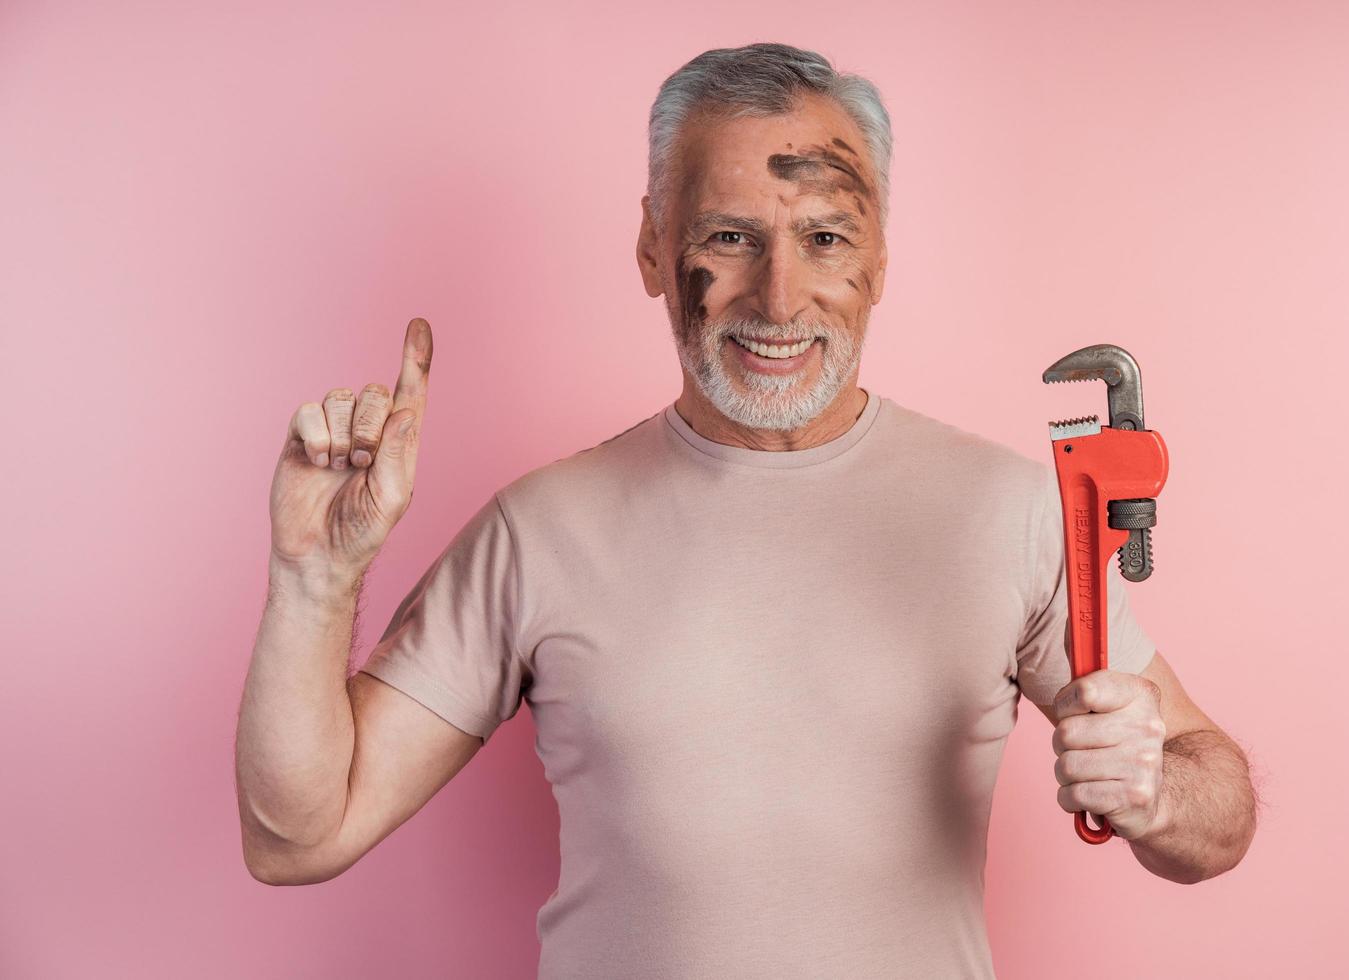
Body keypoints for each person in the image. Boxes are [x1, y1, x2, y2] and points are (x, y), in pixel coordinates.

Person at [235, 42, 1257, 979]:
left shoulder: (1010, 510)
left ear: (880, 258)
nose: (779, 297)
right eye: (730, 236)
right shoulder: (538, 531)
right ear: (652, 245)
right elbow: (297, 833)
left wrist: (1158, 791)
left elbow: (1220, 814)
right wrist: (313, 578)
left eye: (823, 237)